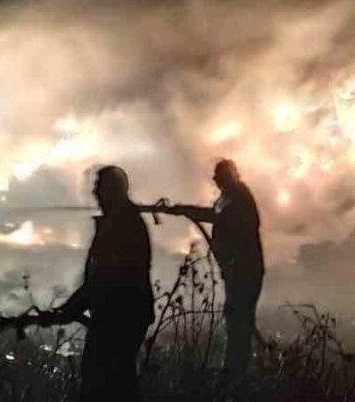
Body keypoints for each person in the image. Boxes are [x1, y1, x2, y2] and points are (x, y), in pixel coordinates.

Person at [38, 165, 154, 402]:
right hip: (118, 315)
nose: (95, 194)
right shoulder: (120, 223)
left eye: (100, 188)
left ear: (113, 191)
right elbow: (99, 279)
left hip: (119, 317)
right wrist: (71, 308)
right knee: (117, 384)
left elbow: (105, 279)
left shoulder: (123, 227)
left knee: (104, 383)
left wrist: (70, 309)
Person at [160, 158, 264, 381]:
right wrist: (181, 210)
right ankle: (234, 368)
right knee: (236, 317)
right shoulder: (228, 197)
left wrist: (186, 211)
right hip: (235, 269)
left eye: (220, 176)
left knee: (239, 318)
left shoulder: (240, 199)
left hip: (245, 269)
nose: (216, 180)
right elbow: (214, 214)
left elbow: (221, 218)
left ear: (231, 176)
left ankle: (236, 371)